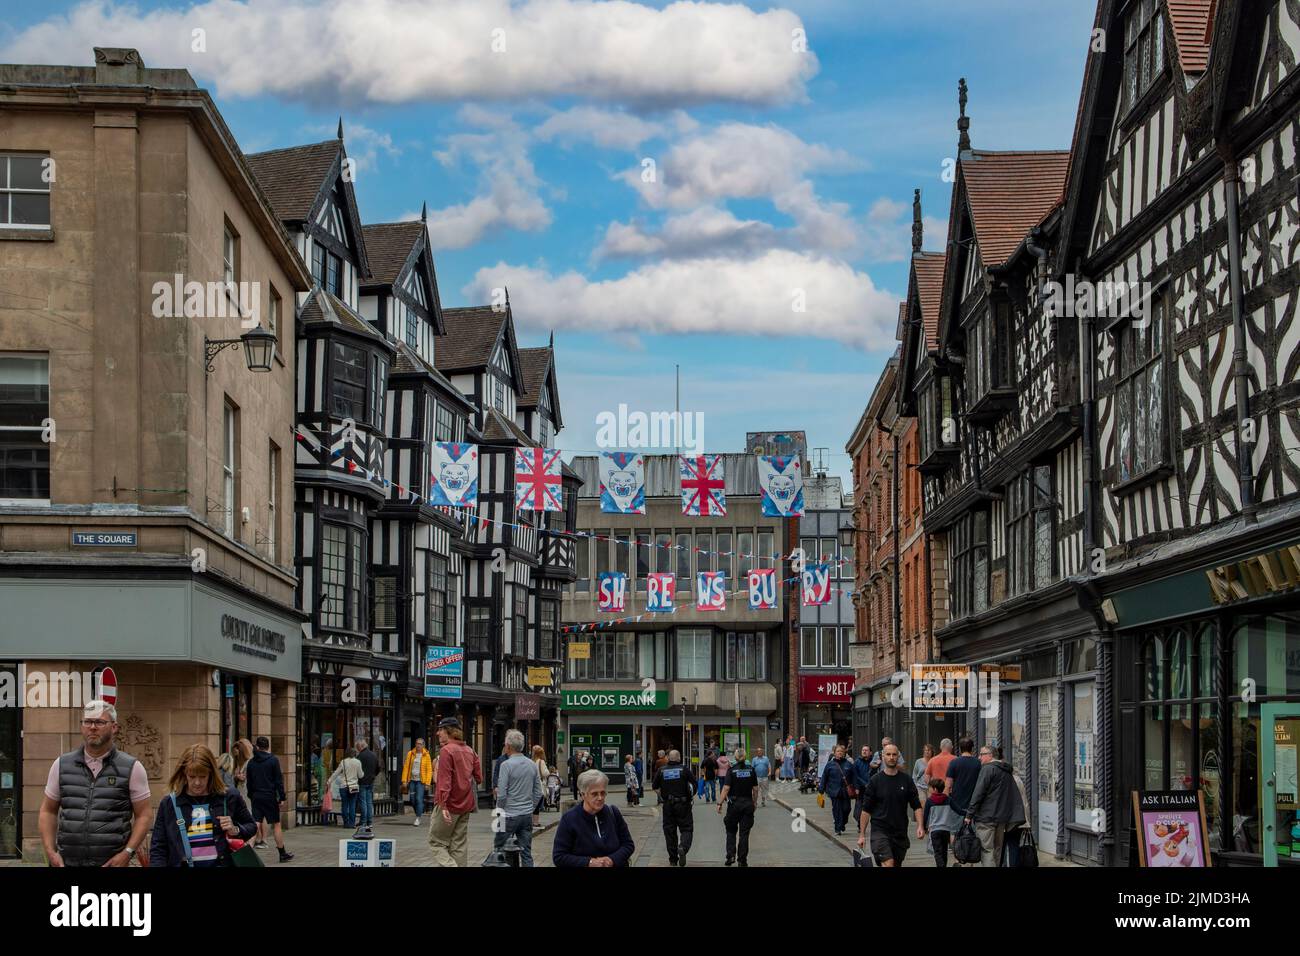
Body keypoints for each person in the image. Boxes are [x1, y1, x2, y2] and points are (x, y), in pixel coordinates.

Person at [39, 700, 152, 868]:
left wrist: (127, 853)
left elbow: (145, 815)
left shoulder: (132, 767)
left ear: (114, 727)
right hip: (67, 862)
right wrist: (51, 852)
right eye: (88, 721)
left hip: (111, 864)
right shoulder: (61, 764)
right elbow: (48, 811)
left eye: (99, 722)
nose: (92, 727)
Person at [149, 744, 256, 867]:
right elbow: (158, 847)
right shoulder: (169, 803)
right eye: (192, 776)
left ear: (211, 773)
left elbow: (251, 826)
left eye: (203, 776)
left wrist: (235, 829)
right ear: (184, 774)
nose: (197, 782)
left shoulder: (229, 796)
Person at [855, 743, 923, 868]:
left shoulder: (906, 780)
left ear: (898, 756)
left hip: (900, 833)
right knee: (888, 863)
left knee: (895, 863)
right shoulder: (875, 781)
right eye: (888, 754)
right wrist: (862, 835)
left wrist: (920, 826)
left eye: (894, 754)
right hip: (880, 831)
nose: (891, 757)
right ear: (883, 757)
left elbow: (916, 805)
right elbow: (866, 810)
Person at [428, 717, 482, 867]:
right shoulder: (470, 750)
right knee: (458, 844)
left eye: (441, 730)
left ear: (449, 731)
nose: (438, 733)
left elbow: (444, 781)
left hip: (448, 804)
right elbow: (479, 777)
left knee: (437, 842)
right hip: (466, 804)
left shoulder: (446, 751)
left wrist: (443, 805)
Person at [553, 769, 636, 867]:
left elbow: (628, 845)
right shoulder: (569, 819)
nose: (600, 798)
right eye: (594, 794)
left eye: (603, 793)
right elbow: (559, 857)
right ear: (583, 795)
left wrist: (612, 859)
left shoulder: (613, 812)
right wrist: (589, 862)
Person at [964, 744, 1018, 867]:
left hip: (986, 817)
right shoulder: (1006, 771)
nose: (979, 757)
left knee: (987, 850)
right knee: (997, 849)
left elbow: (978, 793)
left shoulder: (987, 769)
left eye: (982, 754)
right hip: (1001, 818)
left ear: (990, 755)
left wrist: (969, 814)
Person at [494, 729, 542, 866]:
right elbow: (538, 792)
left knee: (500, 849)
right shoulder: (531, 764)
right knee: (526, 852)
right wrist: (530, 807)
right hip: (526, 815)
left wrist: (499, 810)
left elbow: (502, 794)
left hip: (508, 814)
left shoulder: (506, 765)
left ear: (508, 746)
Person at [245, 736, 294, 861]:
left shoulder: (251, 762)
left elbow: (249, 782)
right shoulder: (273, 760)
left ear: (257, 746)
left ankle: (247, 853)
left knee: (255, 823)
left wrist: (251, 795)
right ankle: (282, 853)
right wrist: (282, 797)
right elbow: (278, 781)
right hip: (269, 796)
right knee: (276, 824)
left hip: (256, 796)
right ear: (268, 746)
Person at [652, 749, 696, 866]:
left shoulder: (661, 771)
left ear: (668, 758)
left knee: (669, 832)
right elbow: (694, 783)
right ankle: (683, 847)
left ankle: (673, 860)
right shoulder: (684, 769)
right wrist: (691, 795)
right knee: (686, 829)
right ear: (679, 758)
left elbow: (655, 786)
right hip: (683, 805)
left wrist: (662, 797)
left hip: (668, 805)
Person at [717, 748, 759, 866]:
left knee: (730, 831)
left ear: (735, 758)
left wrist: (719, 803)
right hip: (747, 804)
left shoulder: (731, 771)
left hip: (734, 805)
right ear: (745, 757)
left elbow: (726, 788)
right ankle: (742, 860)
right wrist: (754, 803)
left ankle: (730, 856)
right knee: (744, 834)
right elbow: (755, 789)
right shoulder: (751, 770)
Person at [922, 778, 960, 867]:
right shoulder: (948, 799)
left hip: (935, 830)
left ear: (935, 789)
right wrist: (968, 814)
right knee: (944, 852)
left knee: (938, 852)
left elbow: (925, 816)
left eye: (930, 787)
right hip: (946, 830)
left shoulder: (930, 801)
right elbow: (958, 810)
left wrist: (924, 828)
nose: (929, 789)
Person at [819, 744, 855, 835]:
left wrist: (856, 788)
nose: (840, 753)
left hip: (845, 791)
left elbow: (854, 777)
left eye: (841, 751)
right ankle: (838, 828)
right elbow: (824, 777)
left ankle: (843, 822)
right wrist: (821, 788)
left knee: (847, 808)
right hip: (834, 790)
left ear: (844, 753)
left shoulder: (848, 764)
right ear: (834, 753)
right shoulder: (830, 765)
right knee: (836, 809)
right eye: (838, 751)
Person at [945, 737, 982, 824]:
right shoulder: (978, 763)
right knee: (972, 834)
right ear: (972, 748)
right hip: (974, 805)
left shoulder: (954, 763)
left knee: (954, 832)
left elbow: (948, 785)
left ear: (959, 749)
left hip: (956, 804)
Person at [327, 744, 364, 828]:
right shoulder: (358, 762)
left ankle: (346, 823)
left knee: (344, 805)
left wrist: (329, 781)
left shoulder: (343, 762)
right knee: (352, 805)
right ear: (354, 754)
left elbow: (336, 773)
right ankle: (352, 823)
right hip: (354, 787)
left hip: (343, 786)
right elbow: (361, 775)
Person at [402, 738, 433, 826]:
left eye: (420, 744)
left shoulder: (426, 755)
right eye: (417, 743)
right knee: (412, 799)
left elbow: (429, 770)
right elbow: (406, 767)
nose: (418, 745)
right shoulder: (410, 754)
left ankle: (418, 817)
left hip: (421, 782)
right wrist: (404, 780)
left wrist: (427, 783)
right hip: (412, 780)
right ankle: (419, 811)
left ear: (423, 745)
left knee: (418, 799)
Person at [355, 738, 381, 833]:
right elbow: (378, 768)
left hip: (362, 782)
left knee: (363, 802)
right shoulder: (374, 755)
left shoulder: (360, 757)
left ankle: (363, 822)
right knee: (369, 802)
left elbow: (357, 770)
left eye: (357, 747)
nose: (357, 749)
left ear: (361, 746)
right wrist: (373, 775)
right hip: (370, 781)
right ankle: (369, 822)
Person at [532, 745, 550, 827]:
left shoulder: (532, 761)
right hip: (540, 784)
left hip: (532, 784)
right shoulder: (541, 762)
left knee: (533, 803)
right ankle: (535, 822)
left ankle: (533, 821)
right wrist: (548, 771)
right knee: (538, 804)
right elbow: (544, 773)